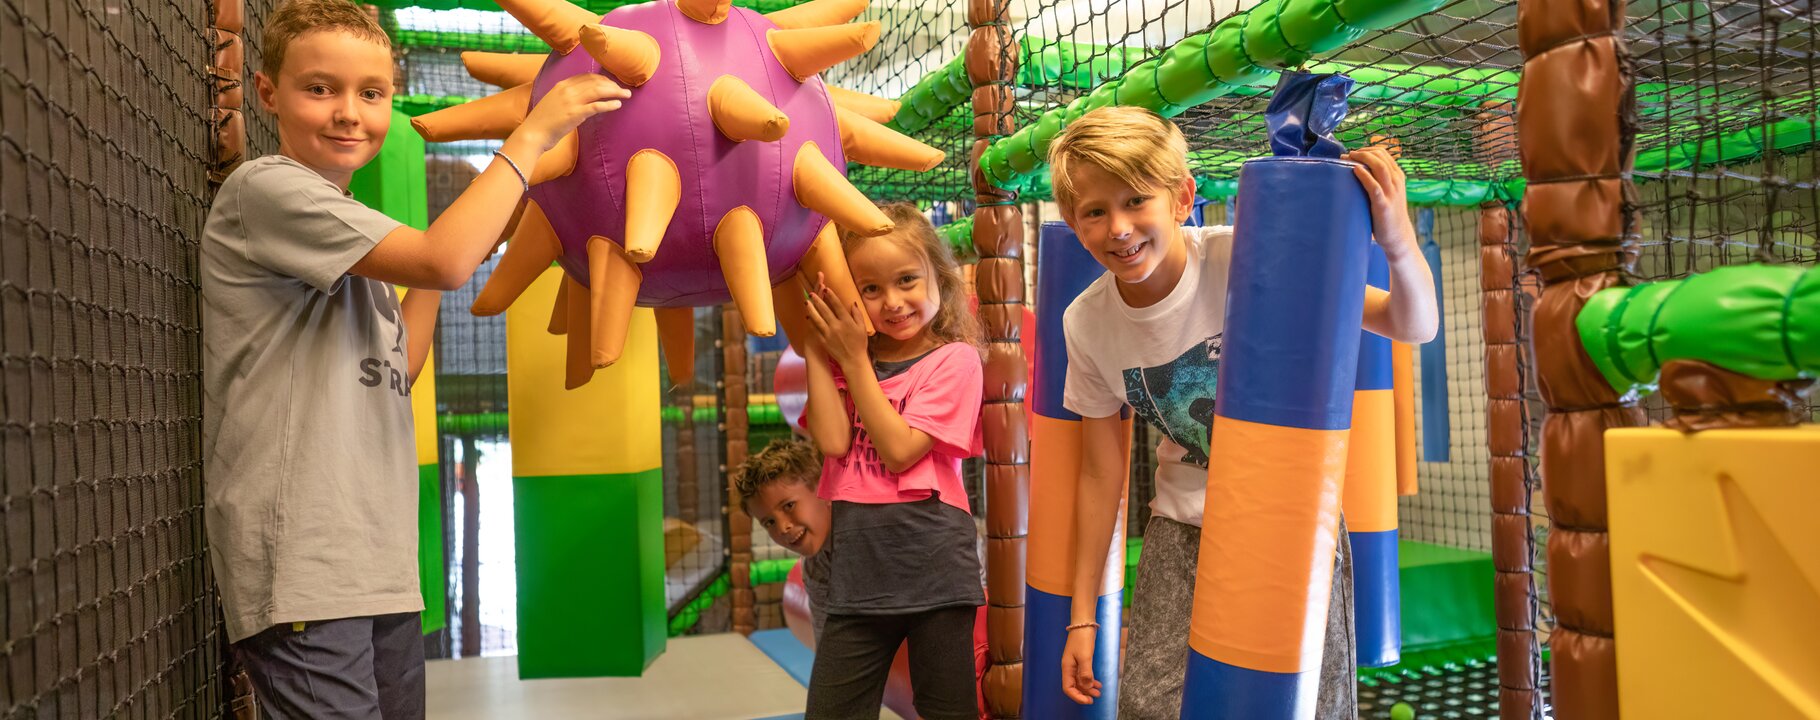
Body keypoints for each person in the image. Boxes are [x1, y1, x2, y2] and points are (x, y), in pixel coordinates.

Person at [200, 1, 628, 716]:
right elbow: (442, 260)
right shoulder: (267, 189)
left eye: (370, 94)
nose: (347, 113)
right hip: (307, 566)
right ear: (268, 94)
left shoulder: (342, 227)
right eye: (320, 89)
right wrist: (536, 133)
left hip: (377, 567)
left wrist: (456, 244)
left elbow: (401, 366)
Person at [1050, 106, 1439, 719]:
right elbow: (1101, 476)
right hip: (1179, 531)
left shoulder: (1244, 260)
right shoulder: (1087, 323)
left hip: (1289, 525)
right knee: (1152, 705)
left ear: (1182, 198)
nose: (1118, 228)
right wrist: (1081, 618)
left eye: (1135, 201)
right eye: (1095, 212)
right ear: (1073, 223)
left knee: (1308, 702)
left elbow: (1412, 324)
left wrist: (1396, 240)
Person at [797, 203, 987, 720]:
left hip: (933, 564)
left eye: (907, 280)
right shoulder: (846, 359)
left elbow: (902, 451)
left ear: (939, 280)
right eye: (870, 289)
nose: (893, 302)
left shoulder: (954, 360)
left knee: (946, 708)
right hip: (857, 570)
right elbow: (834, 443)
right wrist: (819, 349)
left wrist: (856, 360)